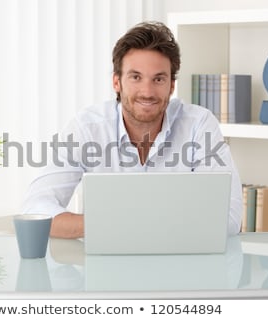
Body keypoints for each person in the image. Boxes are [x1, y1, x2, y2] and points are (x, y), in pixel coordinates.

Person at [23, 21, 243, 238]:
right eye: (135, 77)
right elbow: (35, 211)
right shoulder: (87, 128)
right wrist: (109, 223)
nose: (147, 91)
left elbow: (229, 219)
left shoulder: (199, 124)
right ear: (116, 82)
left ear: (171, 86)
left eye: (158, 79)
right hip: (107, 266)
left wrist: (130, 221)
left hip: (180, 265)